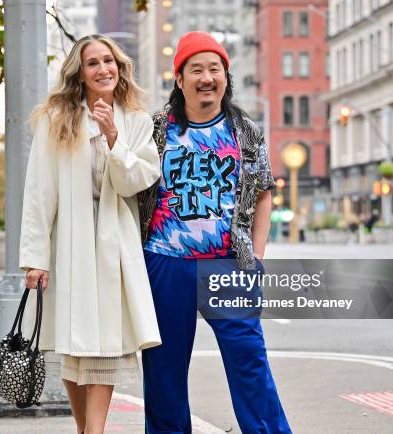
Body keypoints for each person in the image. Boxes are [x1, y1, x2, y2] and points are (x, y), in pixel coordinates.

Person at [138, 31, 291, 434]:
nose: (206, 77)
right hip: (164, 262)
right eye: (196, 69)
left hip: (227, 263)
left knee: (249, 361)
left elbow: (263, 196)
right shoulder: (155, 129)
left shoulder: (245, 131)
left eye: (215, 69)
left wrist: (255, 258)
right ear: (180, 78)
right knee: (164, 369)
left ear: (226, 75)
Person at [19, 34, 162, 434]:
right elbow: (39, 190)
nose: (103, 69)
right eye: (93, 63)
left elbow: (138, 180)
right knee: (73, 345)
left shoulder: (136, 120)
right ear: (79, 74)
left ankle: (94, 432)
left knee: (105, 345)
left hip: (115, 244)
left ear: (120, 67)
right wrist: (35, 259)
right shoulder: (56, 118)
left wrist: (114, 137)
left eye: (109, 61)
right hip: (68, 243)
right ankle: (85, 429)